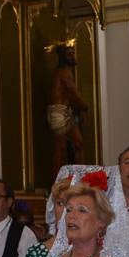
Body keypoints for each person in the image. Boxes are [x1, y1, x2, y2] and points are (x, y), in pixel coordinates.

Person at [47, 41, 90, 170]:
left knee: (77, 144)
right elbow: (73, 93)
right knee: (61, 145)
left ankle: (78, 177)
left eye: (73, 53)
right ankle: (57, 181)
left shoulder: (65, 72)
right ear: (63, 57)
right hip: (59, 113)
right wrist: (85, 106)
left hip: (65, 112)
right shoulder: (62, 73)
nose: (72, 56)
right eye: (69, 54)